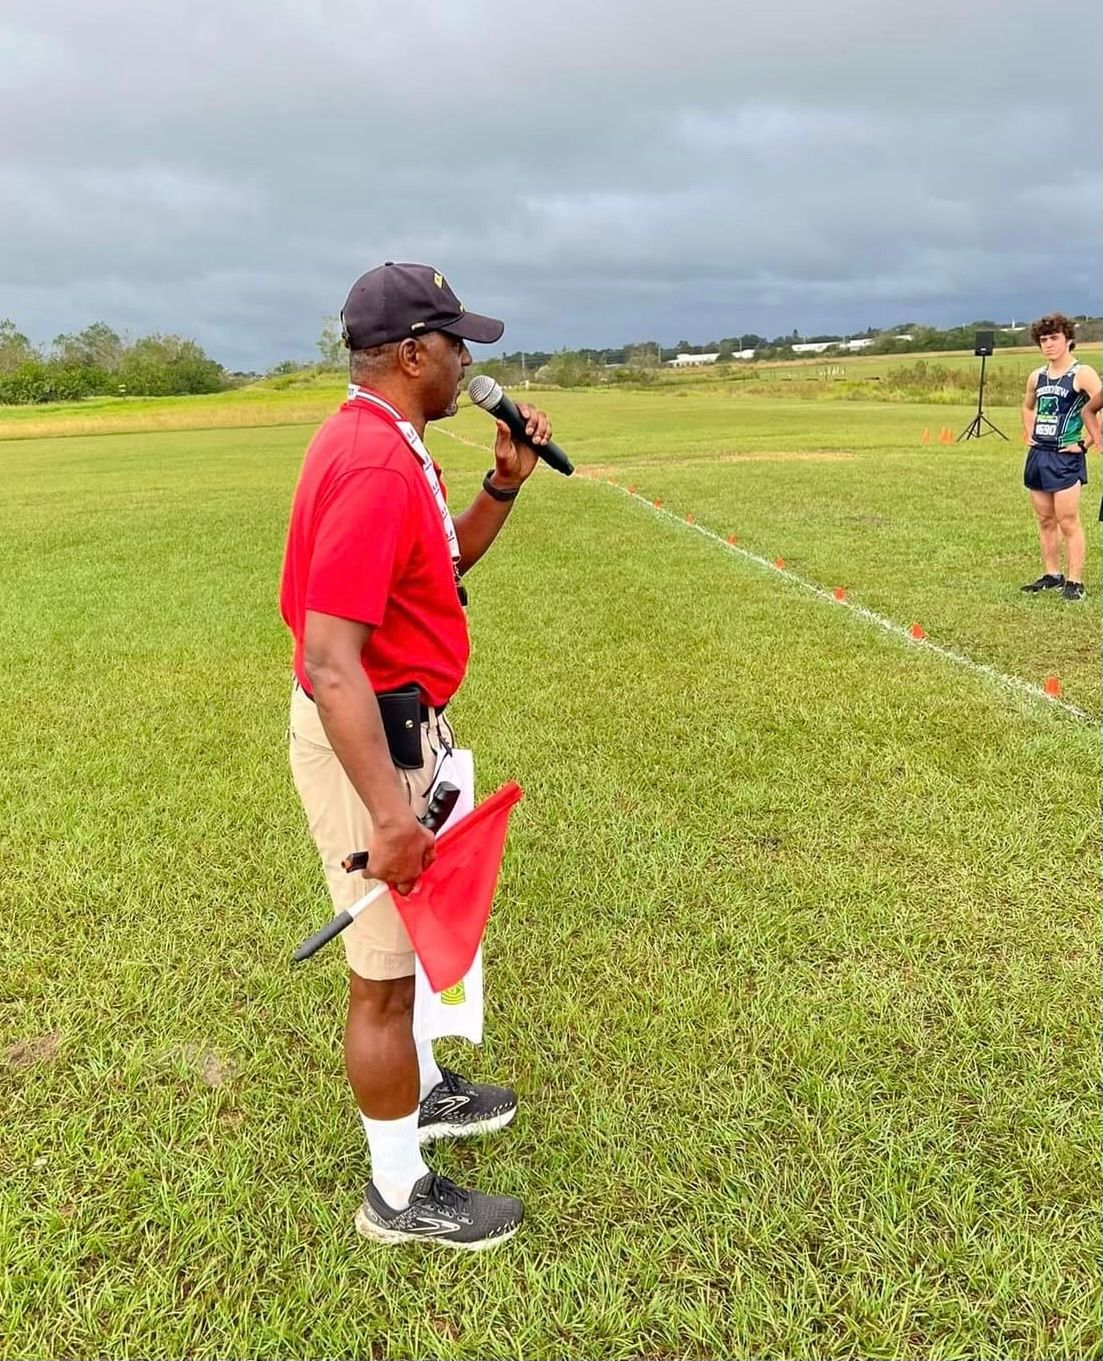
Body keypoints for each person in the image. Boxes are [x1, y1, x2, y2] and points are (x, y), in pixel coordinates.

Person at [279, 262, 551, 1249]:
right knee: (382, 976)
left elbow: (434, 572)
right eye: (455, 344)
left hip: (400, 724)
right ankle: (395, 1193)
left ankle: (425, 1091)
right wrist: (390, 818)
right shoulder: (373, 464)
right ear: (409, 354)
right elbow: (328, 657)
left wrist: (500, 487)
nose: (468, 364)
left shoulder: (390, 442)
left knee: (411, 949)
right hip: (369, 742)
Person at [1019, 313, 1102, 601]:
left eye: (1054, 338)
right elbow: (1028, 406)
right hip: (1039, 454)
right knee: (1044, 519)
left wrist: (1086, 443)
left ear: (1068, 339)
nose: (1049, 345)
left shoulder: (1082, 373)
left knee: (1068, 520)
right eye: (1043, 340)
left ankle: (1074, 580)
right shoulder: (1037, 376)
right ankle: (1052, 574)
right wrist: (1029, 431)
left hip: (1066, 458)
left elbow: (1098, 409)